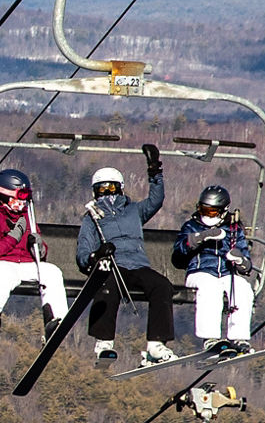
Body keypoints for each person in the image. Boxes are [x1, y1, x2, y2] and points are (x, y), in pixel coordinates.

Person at [77, 144, 181, 366]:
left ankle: (156, 344)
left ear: (120, 189)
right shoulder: (92, 218)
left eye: (112, 189)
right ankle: (103, 342)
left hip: (137, 265)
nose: (108, 194)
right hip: (113, 267)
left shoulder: (134, 211)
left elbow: (156, 200)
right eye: (102, 190)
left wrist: (155, 170)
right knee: (106, 286)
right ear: (95, 193)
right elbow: (83, 253)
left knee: (161, 286)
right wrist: (97, 256)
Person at [0, 168, 69, 337]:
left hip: (24, 264)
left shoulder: (27, 216)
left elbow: (40, 254)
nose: (21, 203)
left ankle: (55, 319)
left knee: (52, 272)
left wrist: (39, 246)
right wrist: (13, 237)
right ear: (5, 196)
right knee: (7, 276)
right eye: (18, 198)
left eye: (24, 198)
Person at [175, 185, 257, 357]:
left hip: (227, 273)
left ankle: (239, 337)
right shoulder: (192, 226)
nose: (206, 215)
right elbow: (179, 252)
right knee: (210, 287)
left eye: (211, 212)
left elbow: (247, 264)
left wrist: (240, 260)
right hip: (200, 272)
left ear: (223, 211)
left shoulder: (233, 230)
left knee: (242, 289)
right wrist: (200, 238)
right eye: (203, 210)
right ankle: (210, 337)